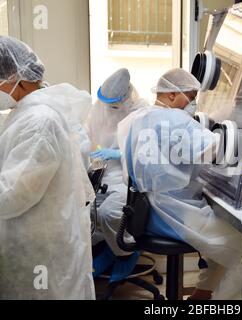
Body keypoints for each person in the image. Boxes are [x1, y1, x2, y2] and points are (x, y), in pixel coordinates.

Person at [0, 35, 95, 300]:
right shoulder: (30, 111)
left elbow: (11, 195)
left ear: (15, 76)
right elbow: (14, 158)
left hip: (39, 254)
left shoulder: (40, 121)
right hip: (37, 241)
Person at [117, 68, 242, 300]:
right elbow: (216, 148)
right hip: (173, 213)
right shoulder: (175, 120)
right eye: (191, 97)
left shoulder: (139, 119)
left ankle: (201, 295)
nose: (193, 105)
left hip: (145, 212)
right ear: (172, 95)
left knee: (223, 244)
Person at [87, 68, 148, 278]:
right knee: (89, 210)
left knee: (109, 213)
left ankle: (125, 253)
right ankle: (109, 249)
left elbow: (145, 153)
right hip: (105, 172)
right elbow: (88, 132)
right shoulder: (101, 107)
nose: (109, 109)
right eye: (106, 103)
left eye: (114, 104)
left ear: (125, 97)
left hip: (129, 177)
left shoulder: (141, 112)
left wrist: (118, 154)